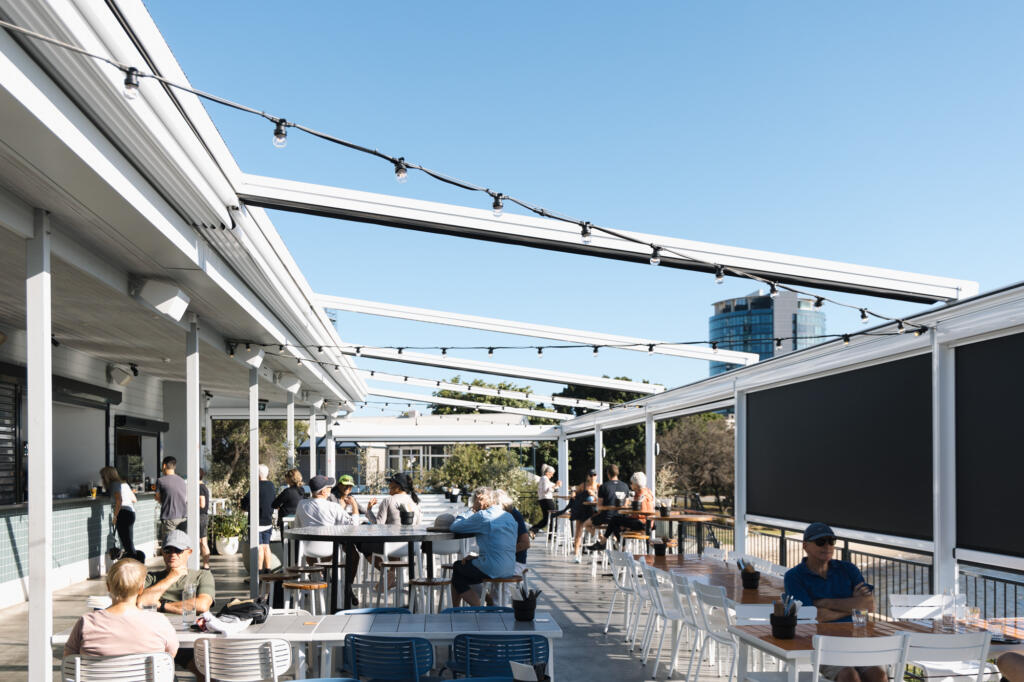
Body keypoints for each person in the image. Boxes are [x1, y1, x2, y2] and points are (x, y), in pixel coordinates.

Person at [783, 522, 882, 682]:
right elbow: (814, 616)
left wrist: (825, 602)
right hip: (823, 643)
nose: (827, 546)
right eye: (821, 542)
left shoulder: (848, 569)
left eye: (831, 541)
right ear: (805, 546)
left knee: (878, 675)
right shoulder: (794, 576)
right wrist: (853, 604)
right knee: (849, 677)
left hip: (858, 639)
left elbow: (869, 606)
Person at [63, 558, 177, 659]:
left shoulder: (86, 623)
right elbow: (170, 655)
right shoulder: (159, 622)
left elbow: (69, 662)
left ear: (108, 587)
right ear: (141, 588)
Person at [138, 530, 216, 671]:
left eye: (178, 550)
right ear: (162, 552)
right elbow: (142, 602)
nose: (173, 554)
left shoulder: (202, 576)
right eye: (168, 550)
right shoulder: (152, 578)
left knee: (205, 669)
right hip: (158, 640)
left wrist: (163, 606)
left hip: (192, 640)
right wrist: (172, 577)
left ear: (189, 552)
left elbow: (202, 605)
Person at [295, 475, 360, 604]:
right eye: (329, 487)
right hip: (330, 551)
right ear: (323, 492)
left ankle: (318, 575)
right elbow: (353, 525)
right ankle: (346, 586)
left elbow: (297, 526)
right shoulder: (333, 507)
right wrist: (354, 506)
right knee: (352, 554)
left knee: (313, 547)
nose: (331, 489)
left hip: (308, 551)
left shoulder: (301, 505)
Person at [449, 487, 517, 607]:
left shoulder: (483, 516)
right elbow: (496, 545)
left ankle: (476, 606)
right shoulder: (509, 517)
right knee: (467, 568)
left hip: (493, 568)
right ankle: (486, 599)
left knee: (458, 567)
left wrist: (472, 509)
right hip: (510, 567)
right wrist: (476, 558)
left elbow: (455, 527)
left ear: (482, 500)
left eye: (477, 500)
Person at [588, 471, 654, 551]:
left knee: (614, 520)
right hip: (649, 523)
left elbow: (641, 512)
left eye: (631, 483)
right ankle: (618, 545)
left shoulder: (641, 495)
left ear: (636, 485)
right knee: (615, 522)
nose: (630, 485)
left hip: (642, 523)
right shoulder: (648, 492)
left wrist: (629, 517)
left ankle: (612, 544)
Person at [581, 464, 630, 547]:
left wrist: (597, 513)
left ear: (608, 474)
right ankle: (614, 539)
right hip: (621, 518)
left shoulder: (604, 486)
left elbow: (599, 507)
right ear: (617, 473)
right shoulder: (625, 486)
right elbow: (626, 505)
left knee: (586, 524)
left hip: (606, 517)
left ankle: (603, 539)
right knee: (614, 523)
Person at [241, 464, 277, 574]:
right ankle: (268, 570)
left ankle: (259, 572)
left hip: (256, 522)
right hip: (267, 521)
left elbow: (245, 503)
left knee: (259, 547)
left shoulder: (255, 486)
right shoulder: (271, 485)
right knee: (266, 546)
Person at [100, 466, 138, 560]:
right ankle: (133, 564)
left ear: (107, 476)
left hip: (123, 514)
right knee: (128, 542)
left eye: (103, 477)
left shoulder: (114, 484)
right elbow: (134, 499)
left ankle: (133, 565)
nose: (102, 479)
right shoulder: (124, 484)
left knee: (126, 543)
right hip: (131, 513)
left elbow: (119, 501)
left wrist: (115, 516)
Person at [495, 488, 531, 575]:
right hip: (503, 560)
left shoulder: (514, 515)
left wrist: (501, 553)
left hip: (515, 562)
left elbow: (525, 544)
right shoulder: (502, 515)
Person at [154, 456, 187, 540]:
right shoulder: (182, 480)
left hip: (169, 518)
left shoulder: (160, 481)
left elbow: (157, 497)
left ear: (164, 466)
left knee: (168, 546)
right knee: (181, 544)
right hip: (183, 517)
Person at [570, 470, 599, 562]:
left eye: (594, 475)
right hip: (582, 509)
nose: (592, 477)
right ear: (588, 476)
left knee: (597, 526)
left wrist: (594, 494)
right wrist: (573, 493)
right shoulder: (584, 485)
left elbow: (601, 499)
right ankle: (576, 554)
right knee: (578, 531)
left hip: (593, 510)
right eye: (591, 475)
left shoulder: (599, 486)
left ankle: (600, 540)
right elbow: (575, 490)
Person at [529, 464, 560, 537]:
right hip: (547, 500)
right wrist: (556, 485)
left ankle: (533, 530)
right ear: (548, 473)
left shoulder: (543, 479)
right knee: (552, 517)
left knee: (546, 519)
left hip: (543, 500)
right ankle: (551, 535)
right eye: (551, 474)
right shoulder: (545, 479)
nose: (552, 476)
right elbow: (546, 490)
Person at [198, 468, 211, 570]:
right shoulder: (203, 487)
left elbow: (202, 504)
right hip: (204, 516)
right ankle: (206, 565)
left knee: (202, 542)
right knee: (203, 541)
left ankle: (205, 564)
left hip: (200, 516)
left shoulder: (200, 488)